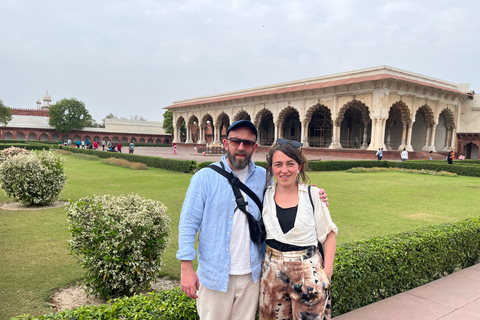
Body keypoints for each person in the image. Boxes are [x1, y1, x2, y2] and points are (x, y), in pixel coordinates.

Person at [177, 120, 329, 320]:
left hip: (252, 274)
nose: (241, 147)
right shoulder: (204, 178)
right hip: (215, 274)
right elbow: (188, 224)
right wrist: (186, 268)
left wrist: (312, 193)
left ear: (254, 147)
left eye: (247, 143)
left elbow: (286, 183)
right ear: (225, 143)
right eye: (235, 141)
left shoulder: (263, 177)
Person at [259, 141, 337, 320]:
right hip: (272, 270)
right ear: (271, 168)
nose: (284, 170)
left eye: (290, 164)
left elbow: (329, 234)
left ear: (299, 166)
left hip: (307, 270)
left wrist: (327, 273)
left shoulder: (312, 195)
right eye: (278, 164)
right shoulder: (266, 194)